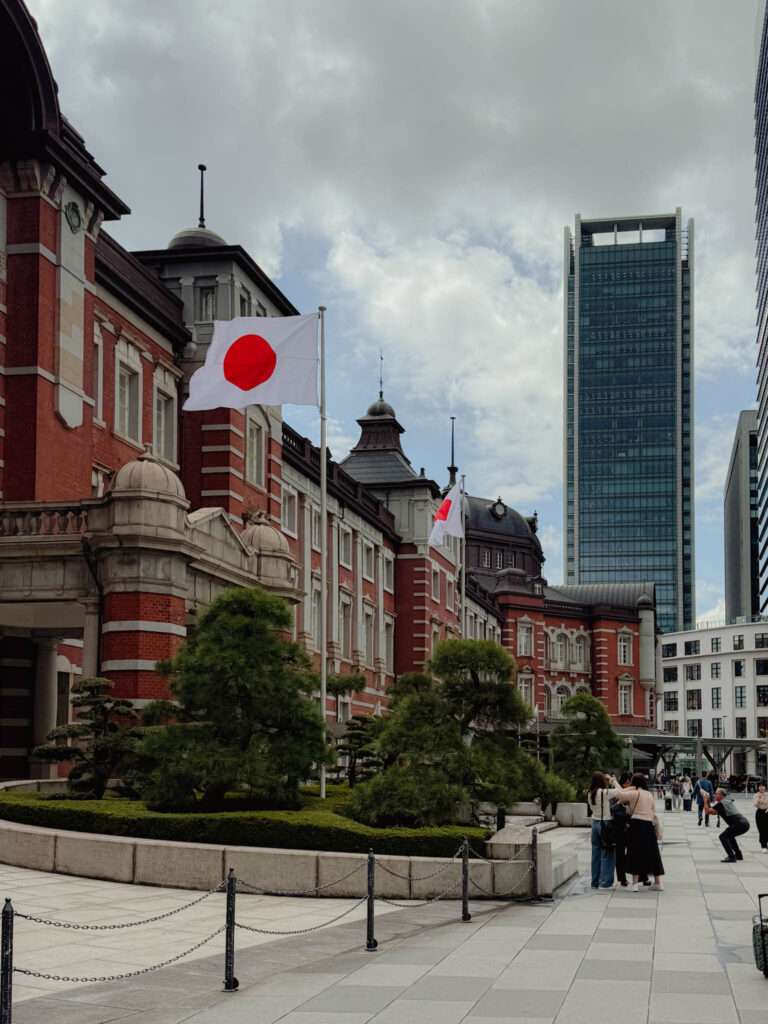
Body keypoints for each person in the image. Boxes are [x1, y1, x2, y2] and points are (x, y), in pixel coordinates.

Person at [612, 773, 664, 891]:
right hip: (649, 825)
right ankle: (658, 883)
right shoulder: (649, 795)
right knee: (653, 854)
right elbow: (653, 811)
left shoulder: (635, 793)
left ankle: (635, 884)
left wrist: (614, 781)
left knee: (634, 852)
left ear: (635, 783)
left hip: (636, 825)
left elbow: (620, 794)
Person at [587, 771, 619, 889]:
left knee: (595, 854)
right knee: (608, 853)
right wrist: (613, 780)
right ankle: (605, 882)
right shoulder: (604, 793)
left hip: (594, 824)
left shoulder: (590, 793)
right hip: (605, 824)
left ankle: (594, 881)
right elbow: (620, 791)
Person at [705, 787, 750, 862]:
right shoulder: (726, 801)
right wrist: (708, 801)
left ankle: (731, 857)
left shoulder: (722, 803)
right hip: (744, 823)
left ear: (721, 795)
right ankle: (738, 855)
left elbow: (707, 812)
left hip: (739, 824)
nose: (715, 795)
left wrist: (705, 799)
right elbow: (713, 812)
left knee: (723, 837)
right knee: (730, 836)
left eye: (716, 794)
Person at [754, 783, 768, 853]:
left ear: (765, 787)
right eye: (760, 786)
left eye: (763, 786)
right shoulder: (756, 795)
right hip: (760, 813)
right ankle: (764, 846)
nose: (761, 788)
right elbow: (755, 805)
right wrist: (759, 799)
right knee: (762, 830)